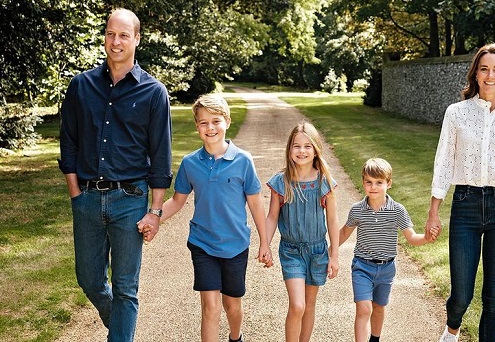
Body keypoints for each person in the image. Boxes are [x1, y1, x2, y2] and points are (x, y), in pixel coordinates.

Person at [58, 8, 173, 342]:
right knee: (90, 280)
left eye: (124, 34)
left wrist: (155, 210)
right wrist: (75, 193)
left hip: (131, 200)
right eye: (111, 33)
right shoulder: (81, 86)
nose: (116, 41)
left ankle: (121, 332)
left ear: (137, 39)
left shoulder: (154, 92)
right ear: (104, 37)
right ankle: (122, 325)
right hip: (87, 199)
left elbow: (161, 155)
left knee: (125, 288)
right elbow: (69, 141)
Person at [425, 43, 495, 342]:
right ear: (475, 74)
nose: (490, 75)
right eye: (484, 69)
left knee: (494, 296)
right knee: (462, 294)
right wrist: (434, 210)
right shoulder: (456, 113)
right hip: (465, 204)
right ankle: (452, 327)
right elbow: (444, 161)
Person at [141, 94, 272, 342]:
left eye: (215, 121)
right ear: (196, 126)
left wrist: (264, 243)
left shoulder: (243, 160)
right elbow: (178, 201)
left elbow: (255, 204)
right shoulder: (190, 163)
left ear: (227, 122)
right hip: (203, 243)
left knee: (232, 306)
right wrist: (154, 217)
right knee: (210, 306)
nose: (210, 128)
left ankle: (236, 337)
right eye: (203, 122)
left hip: (235, 245)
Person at [338, 158, 431, 342]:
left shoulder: (397, 210)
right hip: (362, 267)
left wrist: (427, 238)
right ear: (363, 182)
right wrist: (331, 251)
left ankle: (375, 339)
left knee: (379, 307)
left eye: (379, 182)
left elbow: (411, 237)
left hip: (387, 269)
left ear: (389, 183)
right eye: (369, 182)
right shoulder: (357, 210)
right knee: (364, 308)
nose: (373, 187)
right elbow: (343, 233)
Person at [265, 121, 340, 342]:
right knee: (297, 305)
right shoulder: (281, 182)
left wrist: (334, 255)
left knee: (309, 305)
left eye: (308, 146)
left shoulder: (324, 182)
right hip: (291, 250)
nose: (302, 151)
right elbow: (272, 217)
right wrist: (264, 244)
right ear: (289, 150)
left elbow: (333, 220)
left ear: (316, 149)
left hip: (317, 251)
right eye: (296, 146)